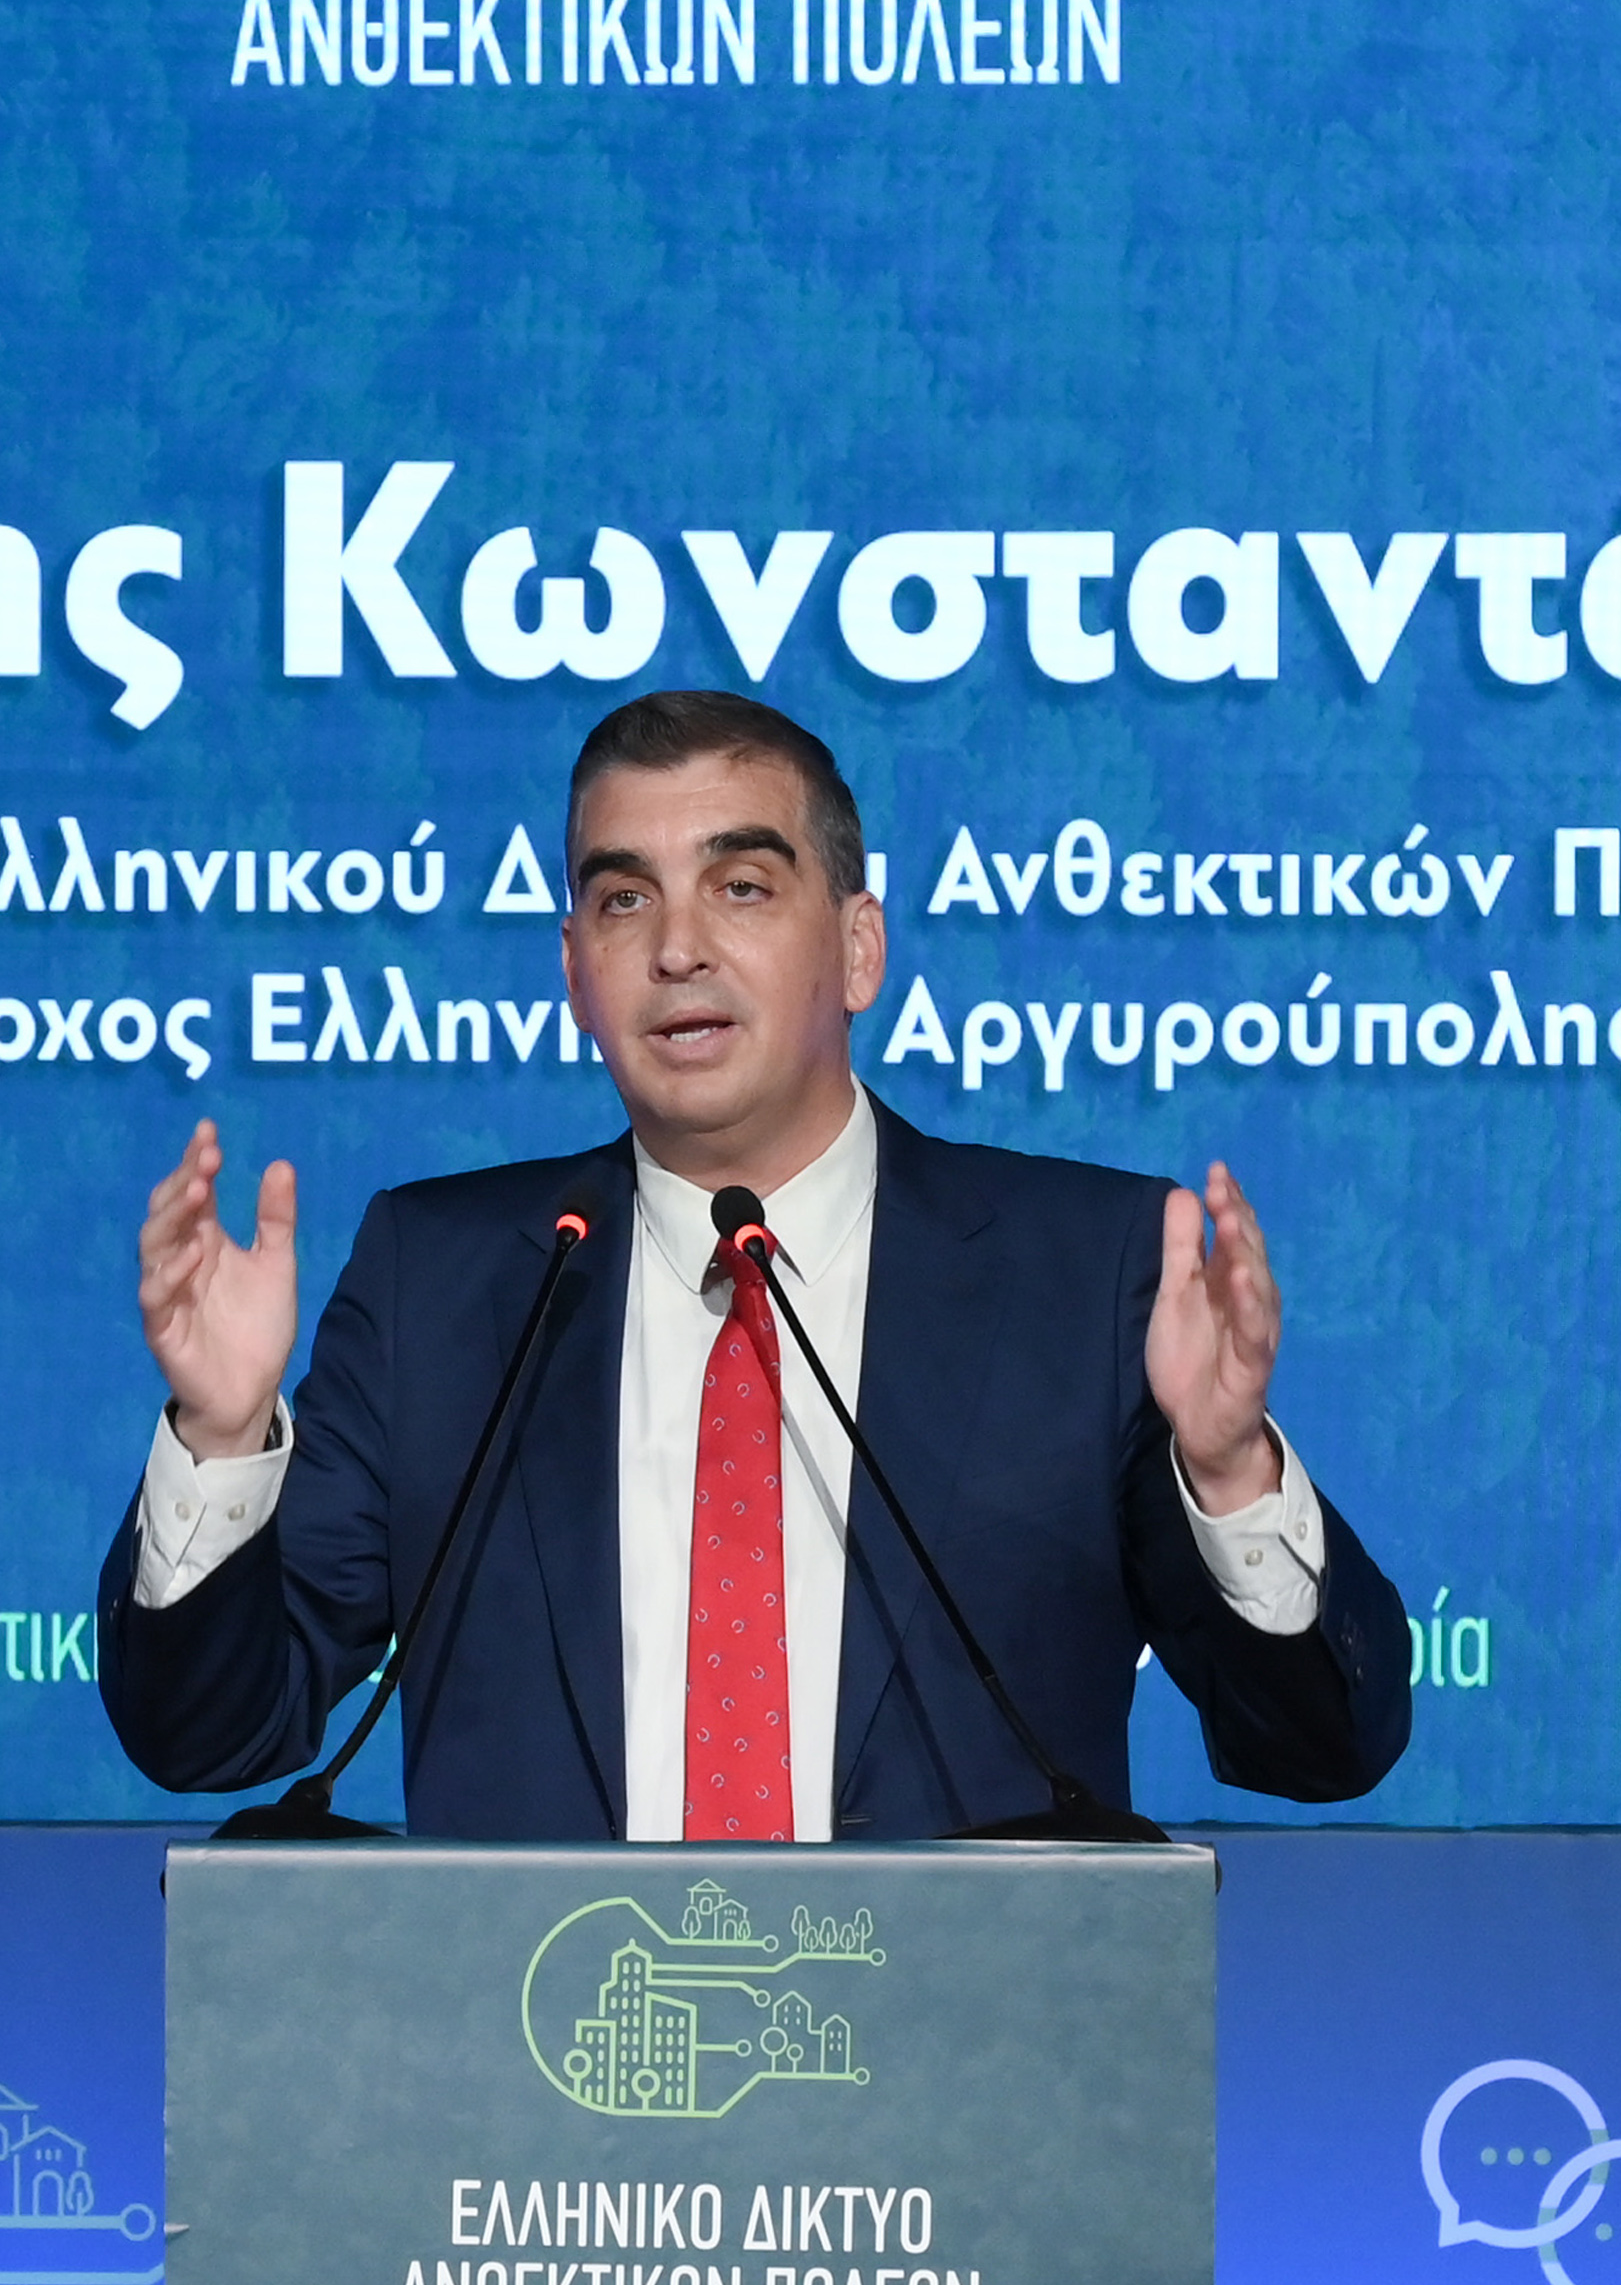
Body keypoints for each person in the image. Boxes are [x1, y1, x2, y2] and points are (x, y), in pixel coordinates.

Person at [99, 691, 1409, 1839]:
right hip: (555, 2036)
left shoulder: (1086, 1273)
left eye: (741, 886)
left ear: (858, 949)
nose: (676, 948)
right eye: (624, 899)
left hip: (964, 2044)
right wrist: (221, 1438)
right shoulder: (438, 1284)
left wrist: (1228, 1474)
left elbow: (1322, 1747)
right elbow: (211, 1735)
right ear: (575, 973)